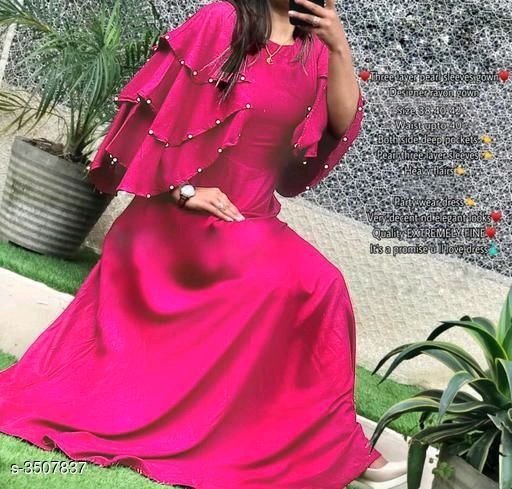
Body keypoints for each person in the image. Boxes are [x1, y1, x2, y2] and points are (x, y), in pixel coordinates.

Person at [0, 0, 408, 487]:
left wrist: (338, 45)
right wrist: (185, 189)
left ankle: (329, 444)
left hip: (249, 217)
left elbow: (342, 124)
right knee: (282, 282)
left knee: (323, 285)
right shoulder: (221, 20)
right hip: (177, 217)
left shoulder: (316, 47)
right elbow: (153, 112)